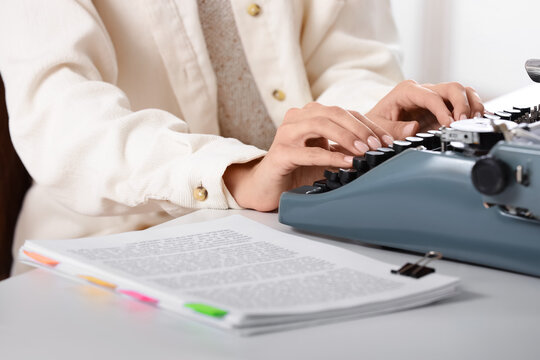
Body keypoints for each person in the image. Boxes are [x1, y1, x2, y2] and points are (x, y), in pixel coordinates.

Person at [0, 0, 483, 275]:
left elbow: (347, 59)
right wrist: (236, 174)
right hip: (112, 245)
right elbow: (61, 117)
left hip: (297, 226)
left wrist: (367, 124)